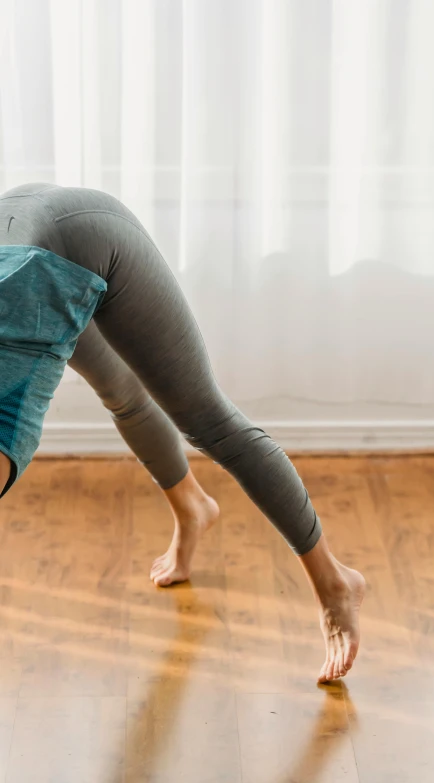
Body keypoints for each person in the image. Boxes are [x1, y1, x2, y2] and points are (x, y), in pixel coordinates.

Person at [0, 183, 365, 683]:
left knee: (207, 420)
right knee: (123, 394)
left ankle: (334, 581)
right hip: (24, 239)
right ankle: (193, 506)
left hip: (87, 237)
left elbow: (11, 435)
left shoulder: (26, 320)